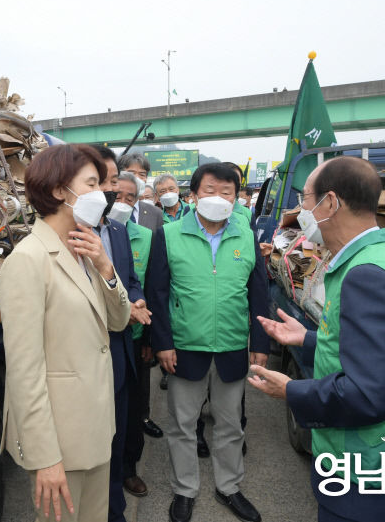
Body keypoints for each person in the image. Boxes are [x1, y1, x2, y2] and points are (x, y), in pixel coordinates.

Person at [248, 156, 385, 522]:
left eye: (304, 198)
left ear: (330, 202)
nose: (299, 210)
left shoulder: (367, 275)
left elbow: (370, 394)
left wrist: (291, 391)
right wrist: (309, 339)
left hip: (371, 473)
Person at [0, 144, 132, 522]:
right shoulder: (28, 260)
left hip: (96, 426)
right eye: (91, 184)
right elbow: (25, 372)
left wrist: (105, 267)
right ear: (60, 191)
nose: (101, 194)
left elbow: (119, 321)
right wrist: (46, 458)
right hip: (60, 441)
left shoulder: (82, 248)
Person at [148, 163, 269, 522]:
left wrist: (259, 342)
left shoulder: (245, 234)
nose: (218, 198)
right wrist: (163, 343)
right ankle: (184, 490)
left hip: (232, 346)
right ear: (193, 195)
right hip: (184, 347)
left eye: (227, 192)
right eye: (210, 190)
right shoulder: (169, 235)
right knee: (182, 424)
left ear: (236, 197)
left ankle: (229, 487)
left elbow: (259, 294)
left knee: (231, 424)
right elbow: (157, 293)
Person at [94, 146, 152, 522]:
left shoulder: (116, 231)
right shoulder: (64, 238)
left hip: (119, 356)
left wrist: (138, 301)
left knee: (115, 446)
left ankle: (114, 510)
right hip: (82, 362)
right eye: (105, 181)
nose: (114, 191)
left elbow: (130, 281)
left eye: (116, 182)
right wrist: (121, 307)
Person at [108, 170, 162, 499]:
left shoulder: (144, 235)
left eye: (131, 198)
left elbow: (149, 286)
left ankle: (129, 468)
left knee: (134, 408)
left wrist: (149, 339)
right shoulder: (93, 233)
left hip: (136, 337)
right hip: (104, 337)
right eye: (118, 195)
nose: (124, 203)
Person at [118, 152, 163, 231]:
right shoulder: (108, 209)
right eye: (131, 173)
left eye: (142, 174)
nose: (136, 178)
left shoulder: (156, 213)